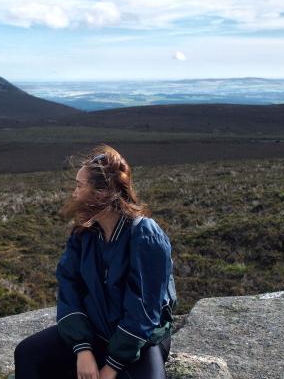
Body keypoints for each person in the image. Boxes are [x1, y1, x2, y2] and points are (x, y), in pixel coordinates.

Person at [14, 144, 177, 379]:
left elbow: (144, 311)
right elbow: (69, 287)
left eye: (80, 186)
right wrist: (82, 349)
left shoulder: (145, 235)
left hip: (140, 340)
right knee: (28, 353)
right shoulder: (85, 232)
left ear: (101, 194)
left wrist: (111, 366)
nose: (74, 193)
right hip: (96, 331)